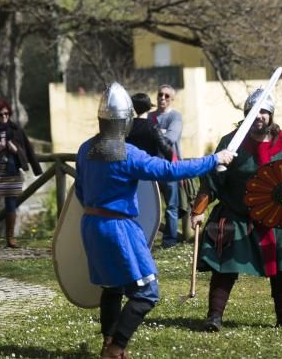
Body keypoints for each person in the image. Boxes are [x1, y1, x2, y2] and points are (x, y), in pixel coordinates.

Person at [75, 81, 236, 359]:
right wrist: (214, 159)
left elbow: (80, 191)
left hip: (90, 226)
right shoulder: (128, 154)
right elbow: (171, 169)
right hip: (118, 228)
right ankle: (116, 348)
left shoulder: (84, 149)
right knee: (147, 292)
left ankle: (108, 342)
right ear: (125, 121)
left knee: (112, 288)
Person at [190, 87, 282, 331]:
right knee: (225, 267)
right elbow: (212, 178)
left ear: (271, 115)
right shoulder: (231, 143)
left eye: (264, 111)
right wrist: (199, 209)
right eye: (253, 111)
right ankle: (214, 317)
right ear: (246, 114)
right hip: (237, 213)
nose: (259, 115)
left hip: (275, 215)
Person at [0, 98, 43, 248]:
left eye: (6, 114)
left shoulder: (17, 129)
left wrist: (16, 150)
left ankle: (10, 238)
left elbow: (28, 151)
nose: (4, 117)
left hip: (12, 173)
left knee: (11, 205)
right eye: (0, 114)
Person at [147, 84, 183, 248]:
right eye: (160, 95)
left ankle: (170, 242)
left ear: (172, 99)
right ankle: (148, 239)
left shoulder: (175, 117)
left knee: (171, 207)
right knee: (149, 204)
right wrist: (160, 133)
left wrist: (157, 133)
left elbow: (170, 138)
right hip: (151, 166)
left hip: (170, 167)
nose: (162, 98)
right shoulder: (150, 116)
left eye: (167, 96)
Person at [127, 92, 173, 160]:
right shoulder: (153, 127)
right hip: (148, 166)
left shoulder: (127, 126)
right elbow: (166, 149)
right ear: (149, 107)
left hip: (131, 166)